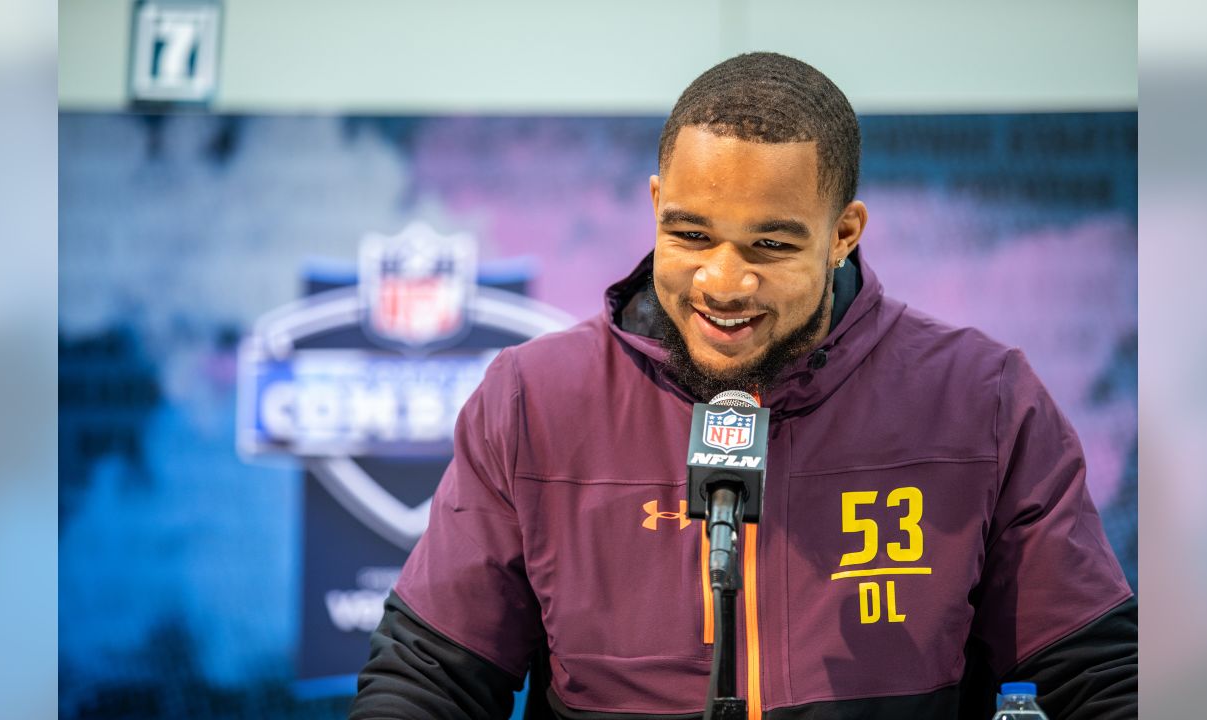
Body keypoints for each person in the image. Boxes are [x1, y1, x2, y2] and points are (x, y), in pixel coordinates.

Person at [350, 52, 1136, 720]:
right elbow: (427, 679)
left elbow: (1104, 675)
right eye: (690, 235)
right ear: (656, 206)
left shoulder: (984, 399)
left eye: (769, 244)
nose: (723, 282)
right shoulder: (533, 400)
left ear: (843, 235)